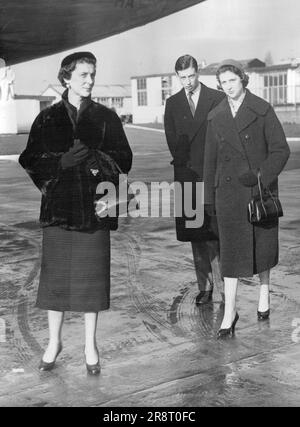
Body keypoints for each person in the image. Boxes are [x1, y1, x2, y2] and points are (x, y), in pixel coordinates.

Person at [19, 52, 132, 373]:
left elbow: (124, 159)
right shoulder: (47, 118)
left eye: (93, 74)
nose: (90, 81)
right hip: (58, 211)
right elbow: (29, 158)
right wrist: (59, 164)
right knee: (55, 282)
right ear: (66, 78)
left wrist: (96, 161)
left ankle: (90, 346)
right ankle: (54, 342)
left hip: (94, 210)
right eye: (83, 75)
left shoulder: (106, 117)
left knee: (89, 282)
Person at [203, 59, 290, 337]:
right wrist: (207, 199)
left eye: (232, 80)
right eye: (223, 82)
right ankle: (230, 312)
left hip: (258, 192)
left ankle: (264, 294)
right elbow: (210, 161)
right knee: (230, 255)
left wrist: (260, 174)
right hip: (228, 195)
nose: (228, 87)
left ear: (243, 80)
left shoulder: (262, 110)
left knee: (262, 247)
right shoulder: (215, 116)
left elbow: (280, 150)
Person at [164, 54, 225, 305]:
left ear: (197, 73)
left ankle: (223, 289)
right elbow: (172, 140)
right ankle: (205, 287)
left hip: (212, 175)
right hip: (187, 176)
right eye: (182, 77)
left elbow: (223, 137)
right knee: (195, 235)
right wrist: (185, 167)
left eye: (190, 76)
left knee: (214, 236)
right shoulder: (173, 103)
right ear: (177, 77)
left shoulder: (217, 99)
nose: (187, 82)